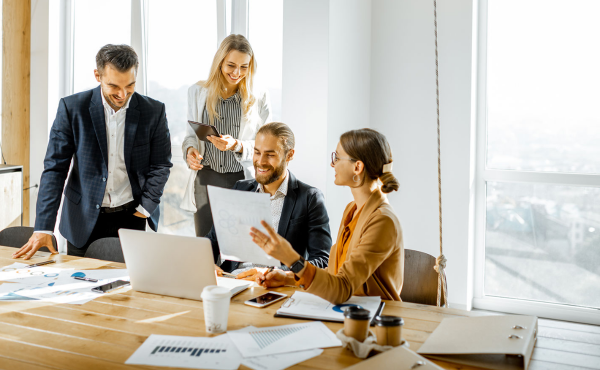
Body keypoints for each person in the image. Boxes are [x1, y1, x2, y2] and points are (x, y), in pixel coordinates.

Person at [13, 44, 172, 260]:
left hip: (132, 216)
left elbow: (161, 165)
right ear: (97, 75)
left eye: (130, 85)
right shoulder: (72, 108)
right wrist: (44, 227)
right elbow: (55, 170)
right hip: (82, 218)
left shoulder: (153, 111)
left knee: (127, 289)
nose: (122, 94)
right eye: (114, 86)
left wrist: (146, 207)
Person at [248, 128, 403, 304]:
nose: (332, 164)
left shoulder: (382, 220)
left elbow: (341, 289)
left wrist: (291, 258)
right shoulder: (352, 209)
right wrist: (287, 278)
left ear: (357, 167)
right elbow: (335, 273)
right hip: (346, 309)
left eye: (336, 158)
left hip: (372, 318)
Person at [207, 122, 331, 274]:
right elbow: (213, 240)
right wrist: (206, 264)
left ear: (290, 155)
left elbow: (321, 261)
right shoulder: (241, 188)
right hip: (233, 279)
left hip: (276, 285)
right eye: (257, 152)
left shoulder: (310, 198)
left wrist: (275, 273)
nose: (261, 161)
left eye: (270, 155)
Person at [181, 34, 271, 238]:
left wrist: (237, 145)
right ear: (220, 62)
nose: (237, 72)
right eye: (231, 65)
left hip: (241, 179)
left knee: (239, 247)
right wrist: (189, 151)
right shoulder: (196, 92)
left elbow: (267, 144)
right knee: (206, 247)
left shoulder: (259, 96)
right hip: (205, 179)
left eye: (244, 67)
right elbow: (190, 136)